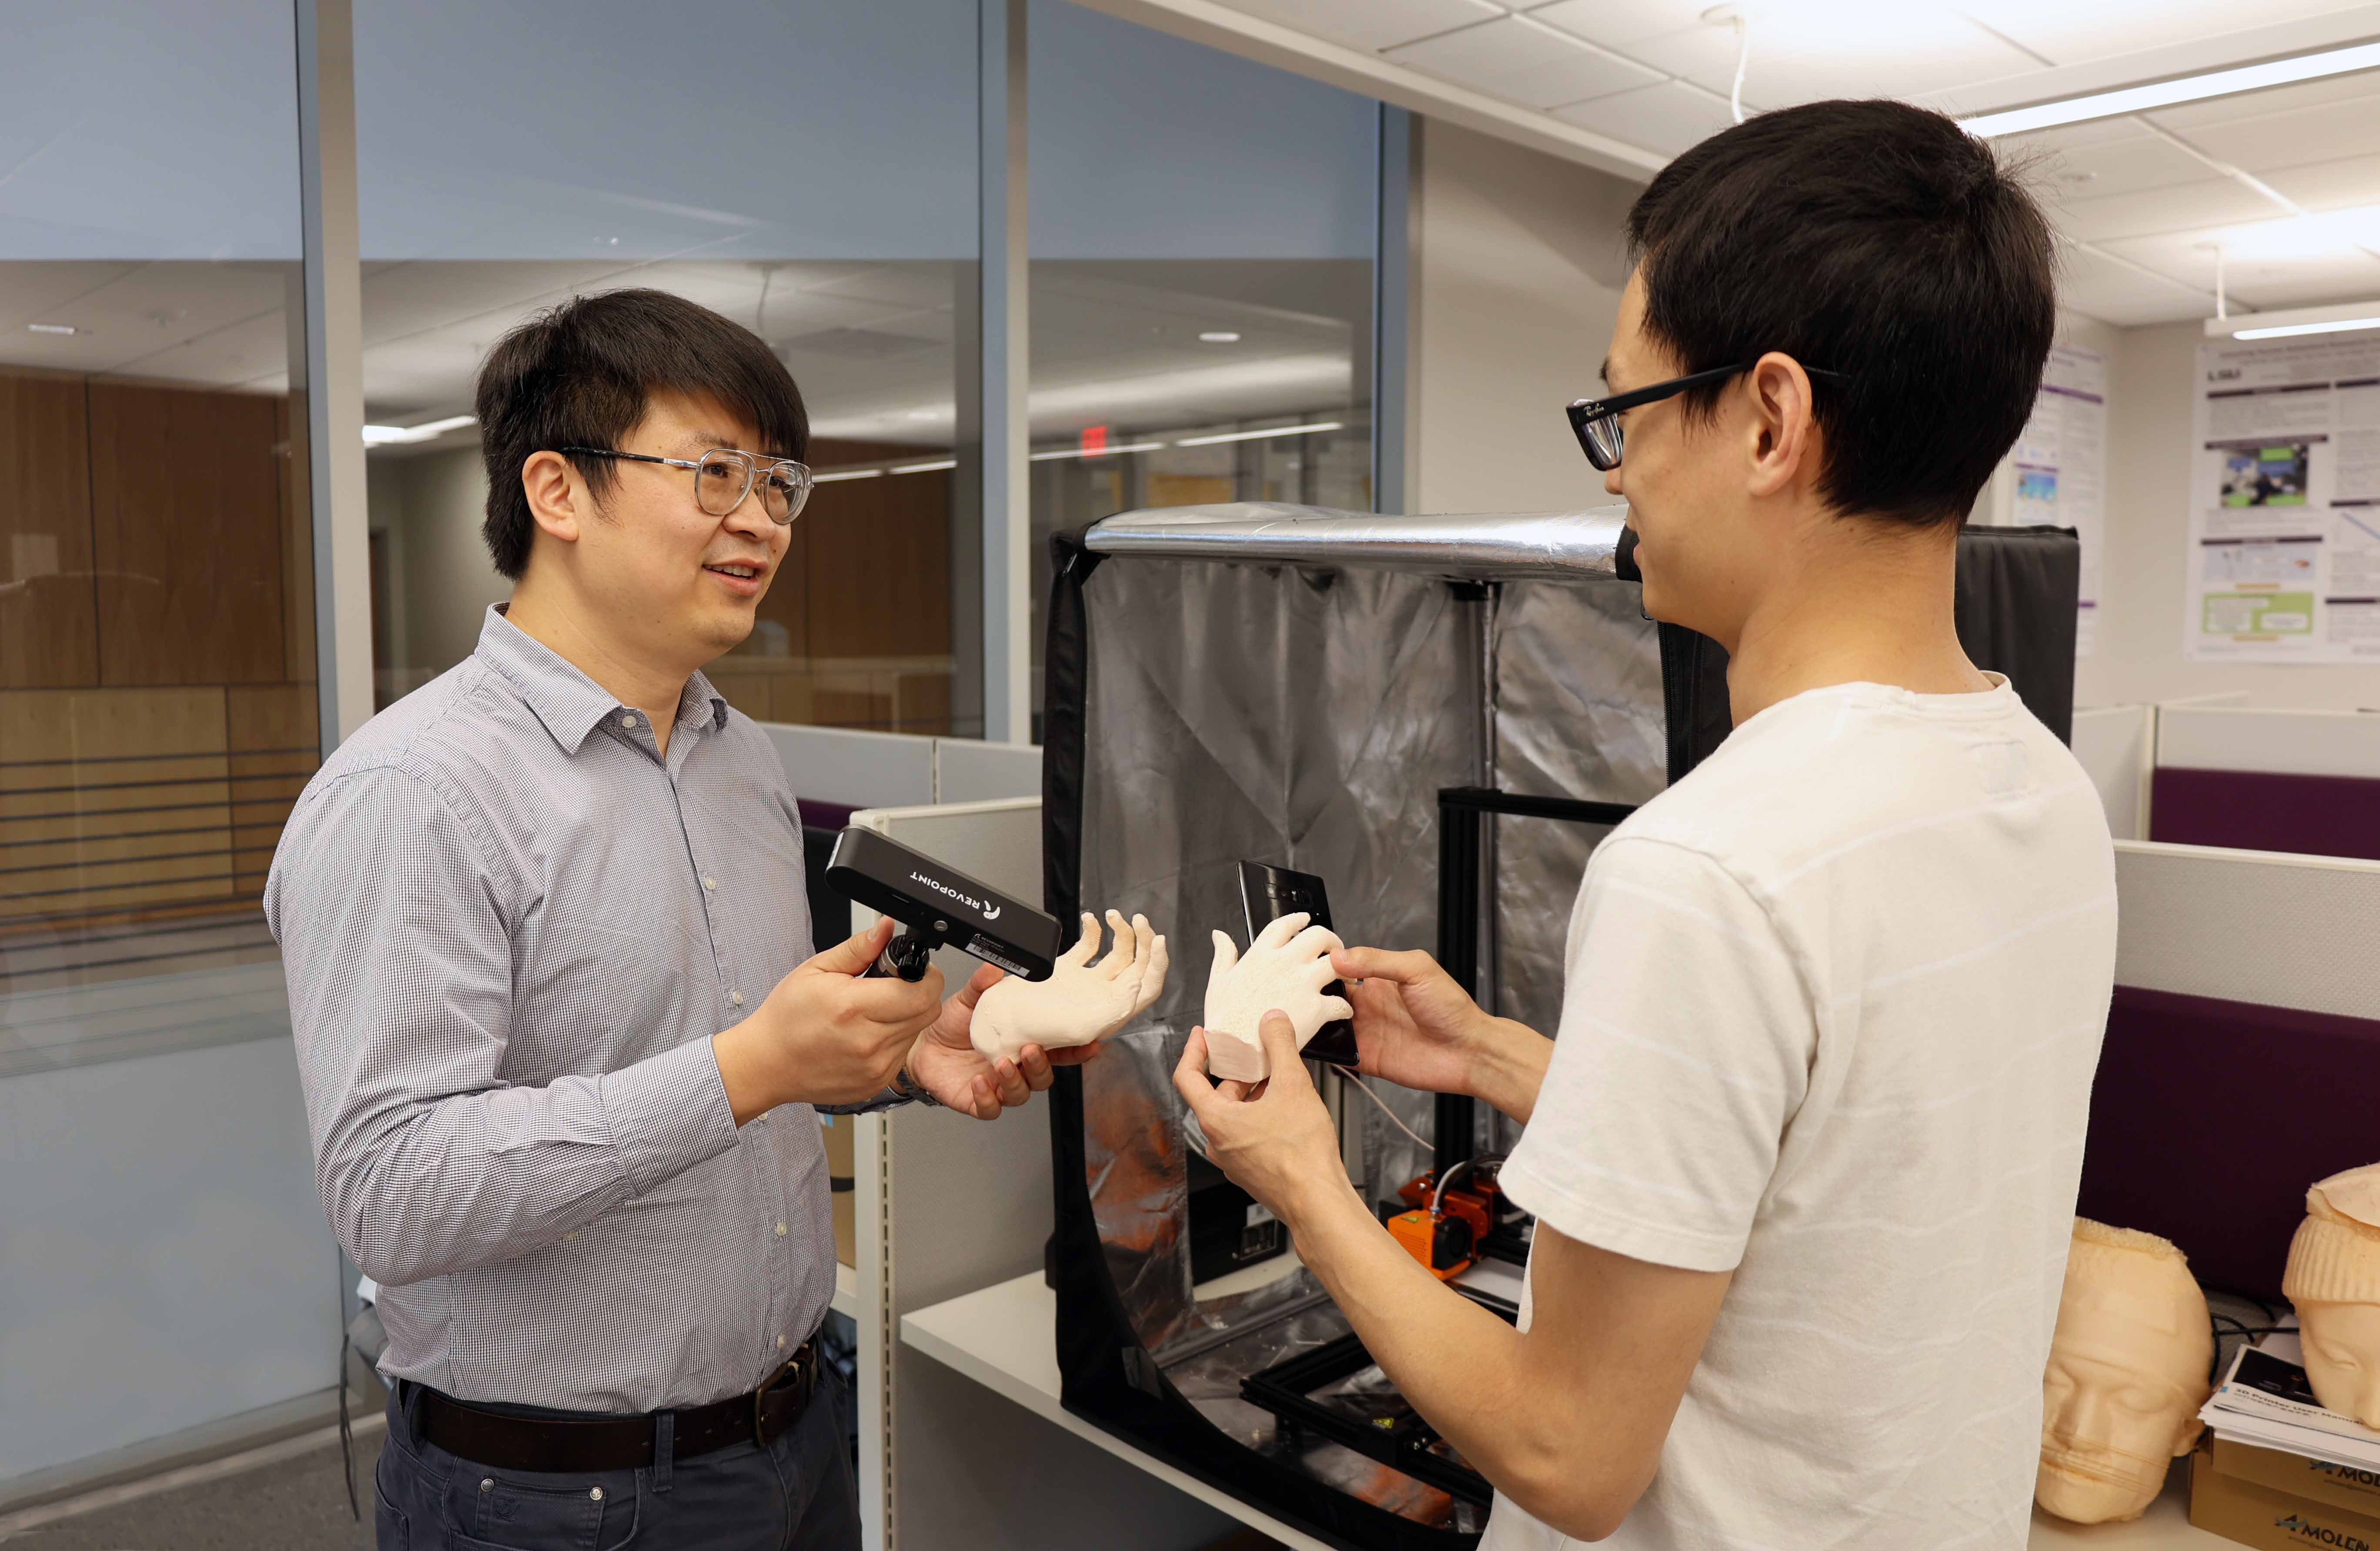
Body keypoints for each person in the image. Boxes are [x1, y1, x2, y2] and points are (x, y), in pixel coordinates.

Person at [1175, 99, 2117, 1549]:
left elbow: (1568, 1453)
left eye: (1624, 411)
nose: (1614, 473)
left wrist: (1299, 1175)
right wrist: (1490, 1056)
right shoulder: (2042, 790)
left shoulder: (1710, 867)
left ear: (1768, 418)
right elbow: (1830, 1187)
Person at [268, 289, 1086, 1550]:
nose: (760, 518)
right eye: (712, 473)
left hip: (795, 1436)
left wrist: (897, 1058)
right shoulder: (411, 795)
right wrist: (753, 1066)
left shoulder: (737, 758)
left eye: (777, 482)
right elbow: (394, 1192)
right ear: (558, 492)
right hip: (552, 1499)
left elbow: (729, 1060)